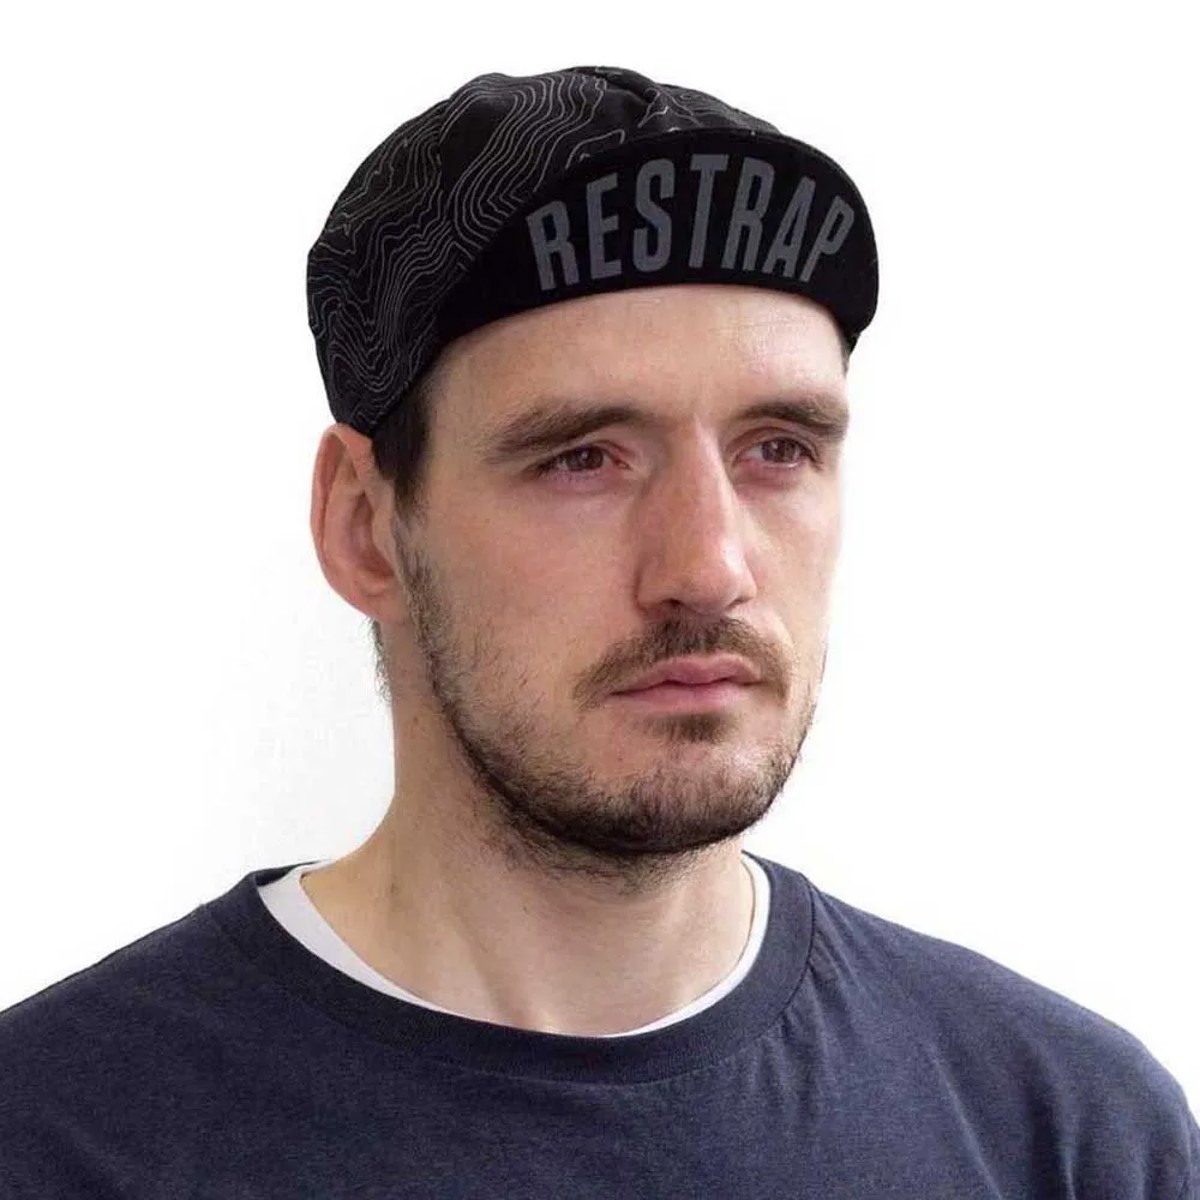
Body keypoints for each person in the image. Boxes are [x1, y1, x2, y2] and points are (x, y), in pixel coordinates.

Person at [1, 64, 1195, 1198]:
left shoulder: (1066, 1134)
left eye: (779, 449)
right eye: (582, 458)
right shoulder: (55, 1138)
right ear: (367, 528)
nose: (709, 567)